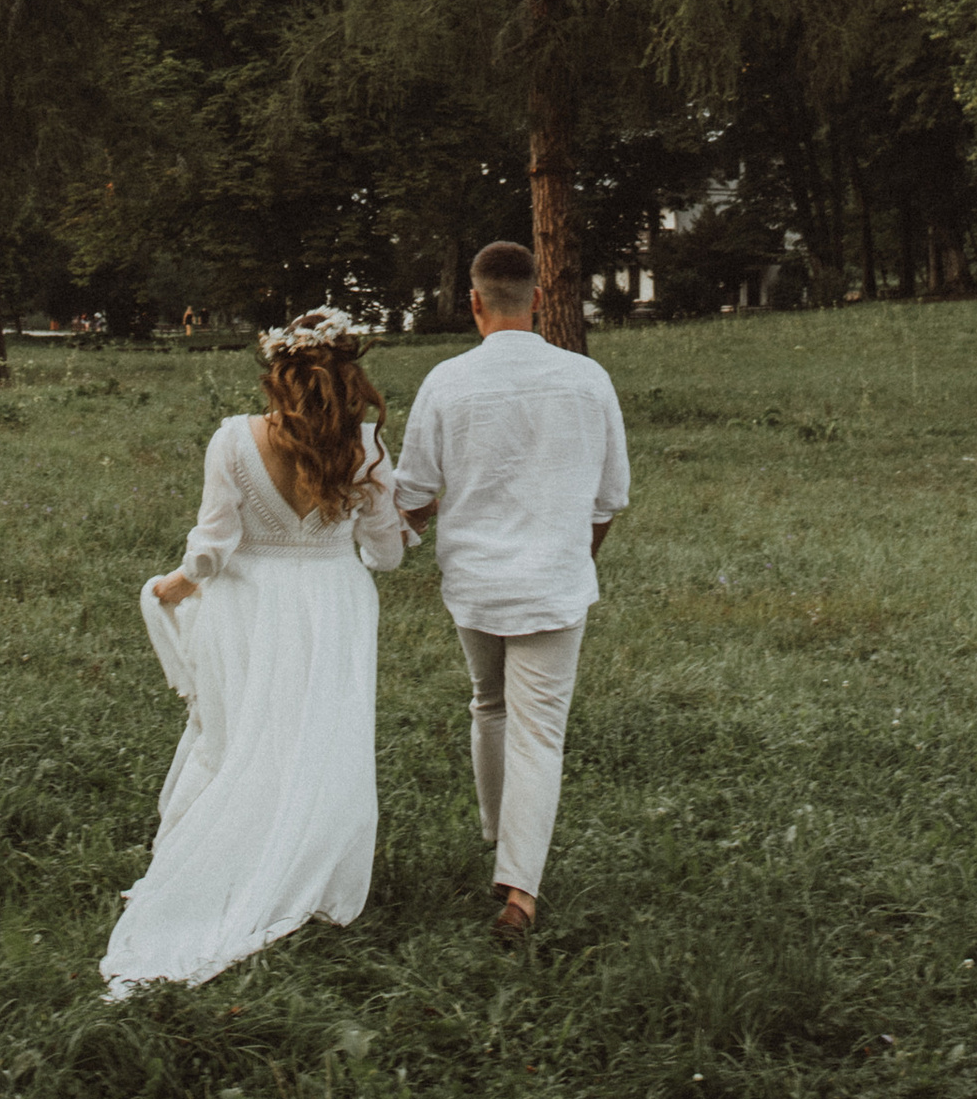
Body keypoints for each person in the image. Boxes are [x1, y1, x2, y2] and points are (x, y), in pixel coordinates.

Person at [101, 306, 406, 996]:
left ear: (278, 373)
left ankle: (224, 857)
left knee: (242, 735)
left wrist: (169, 588)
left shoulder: (233, 442)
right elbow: (385, 557)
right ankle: (310, 865)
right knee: (319, 737)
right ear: (349, 373)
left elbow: (210, 551)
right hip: (332, 604)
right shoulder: (367, 450)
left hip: (249, 604)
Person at [395, 238, 630, 946]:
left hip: (476, 582)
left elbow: (410, 494)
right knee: (538, 732)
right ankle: (519, 890)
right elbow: (608, 498)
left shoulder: (445, 381)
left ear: (473, 302)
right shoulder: (588, 380)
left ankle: (503, 842)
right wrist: (569, 557)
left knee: (488, 703)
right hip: (552, 583)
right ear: (540, 299)